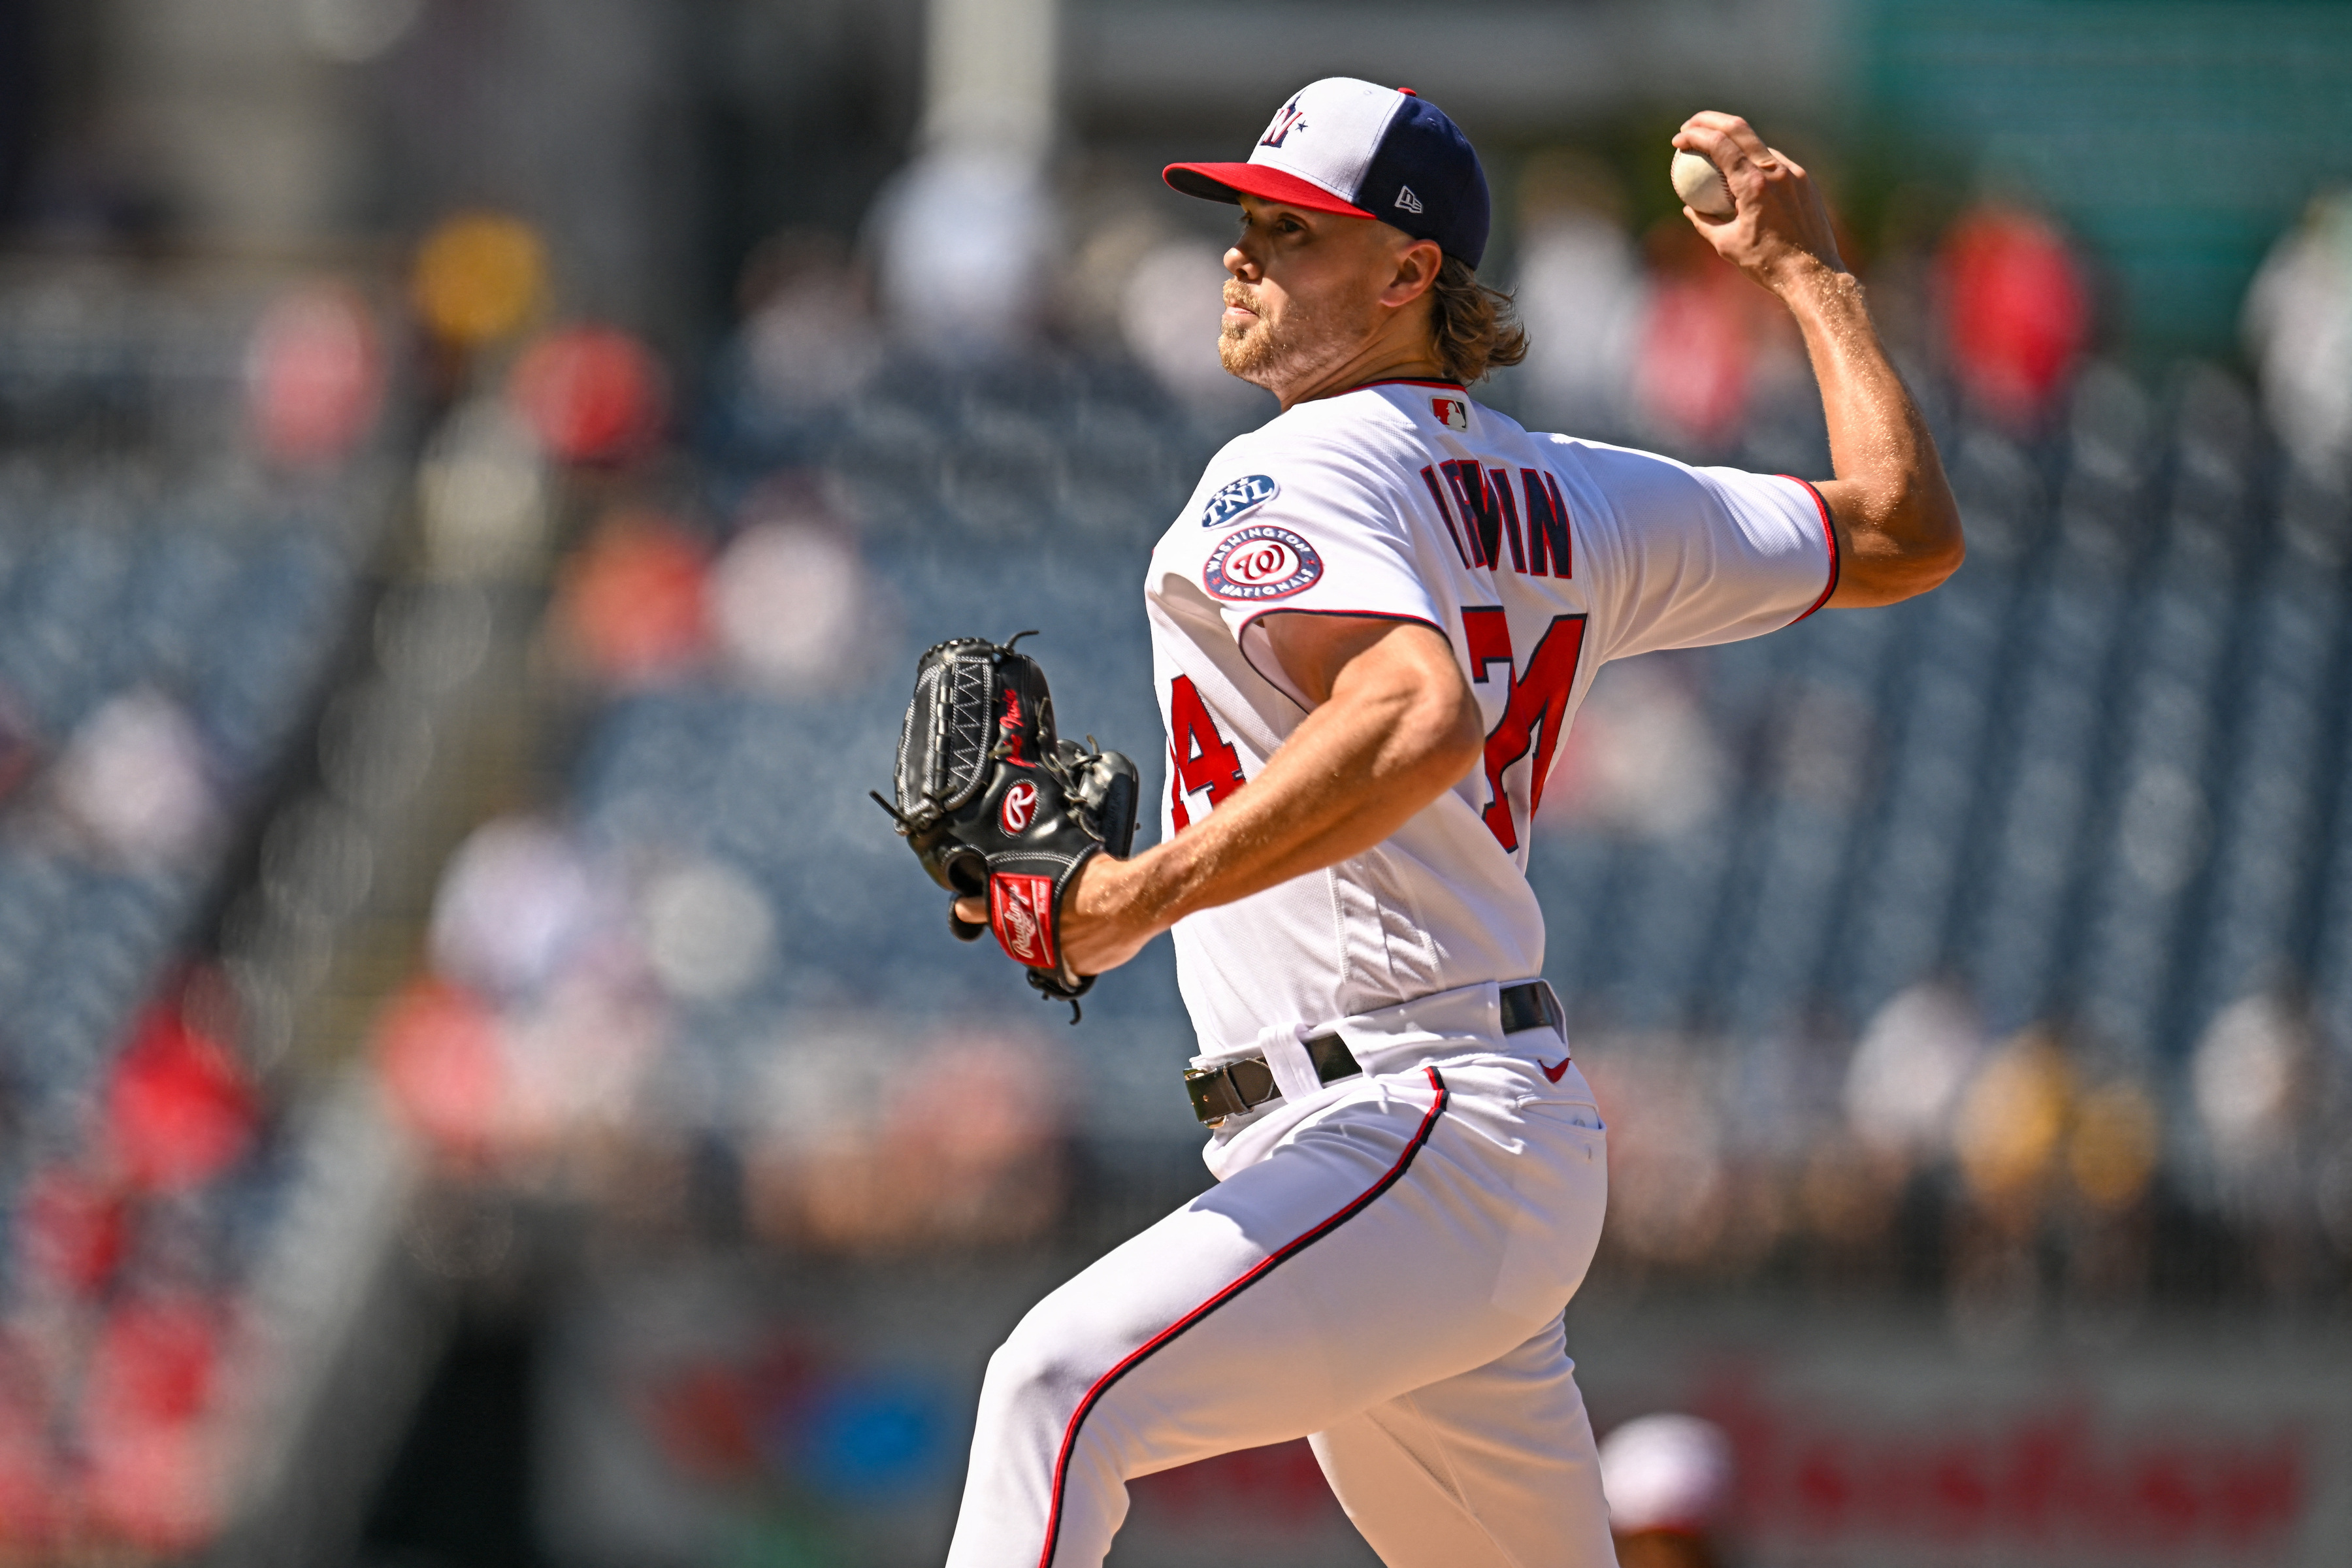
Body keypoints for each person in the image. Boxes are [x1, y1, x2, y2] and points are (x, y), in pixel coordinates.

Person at [942, 78, 1961, 1567]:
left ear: (1413, 272)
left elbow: (1416, 717)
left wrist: (1132, 895)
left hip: (1405, 1124)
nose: (1241, 255)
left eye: (1291, 233)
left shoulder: (1293, 466)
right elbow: (1900, 530)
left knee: (1052, 1392)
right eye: (1245, 223)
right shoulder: (1570, 490)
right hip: (1439, 1151)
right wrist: (1813, 279)